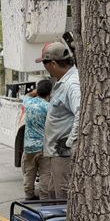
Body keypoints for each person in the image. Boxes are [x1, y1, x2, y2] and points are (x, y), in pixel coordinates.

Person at [35, 36, 80, 199]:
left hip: (63, 155)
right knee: (54, 194)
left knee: (63, 196)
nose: (45, 68)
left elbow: (81, 112)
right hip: (56, 153)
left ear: (52, 64)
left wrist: (69, 143)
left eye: (44, 64)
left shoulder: (72, 84)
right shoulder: (64, 81)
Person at [22, 79, 52, 199]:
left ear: (37, 91)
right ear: (50, 93)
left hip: (29, 146)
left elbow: (27, 95)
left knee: (29, 172)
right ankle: (44, 196)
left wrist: (35, 92)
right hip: (43, 147)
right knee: (45, 173)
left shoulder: (28, 102)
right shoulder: (48, 107)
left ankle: (28, 194)